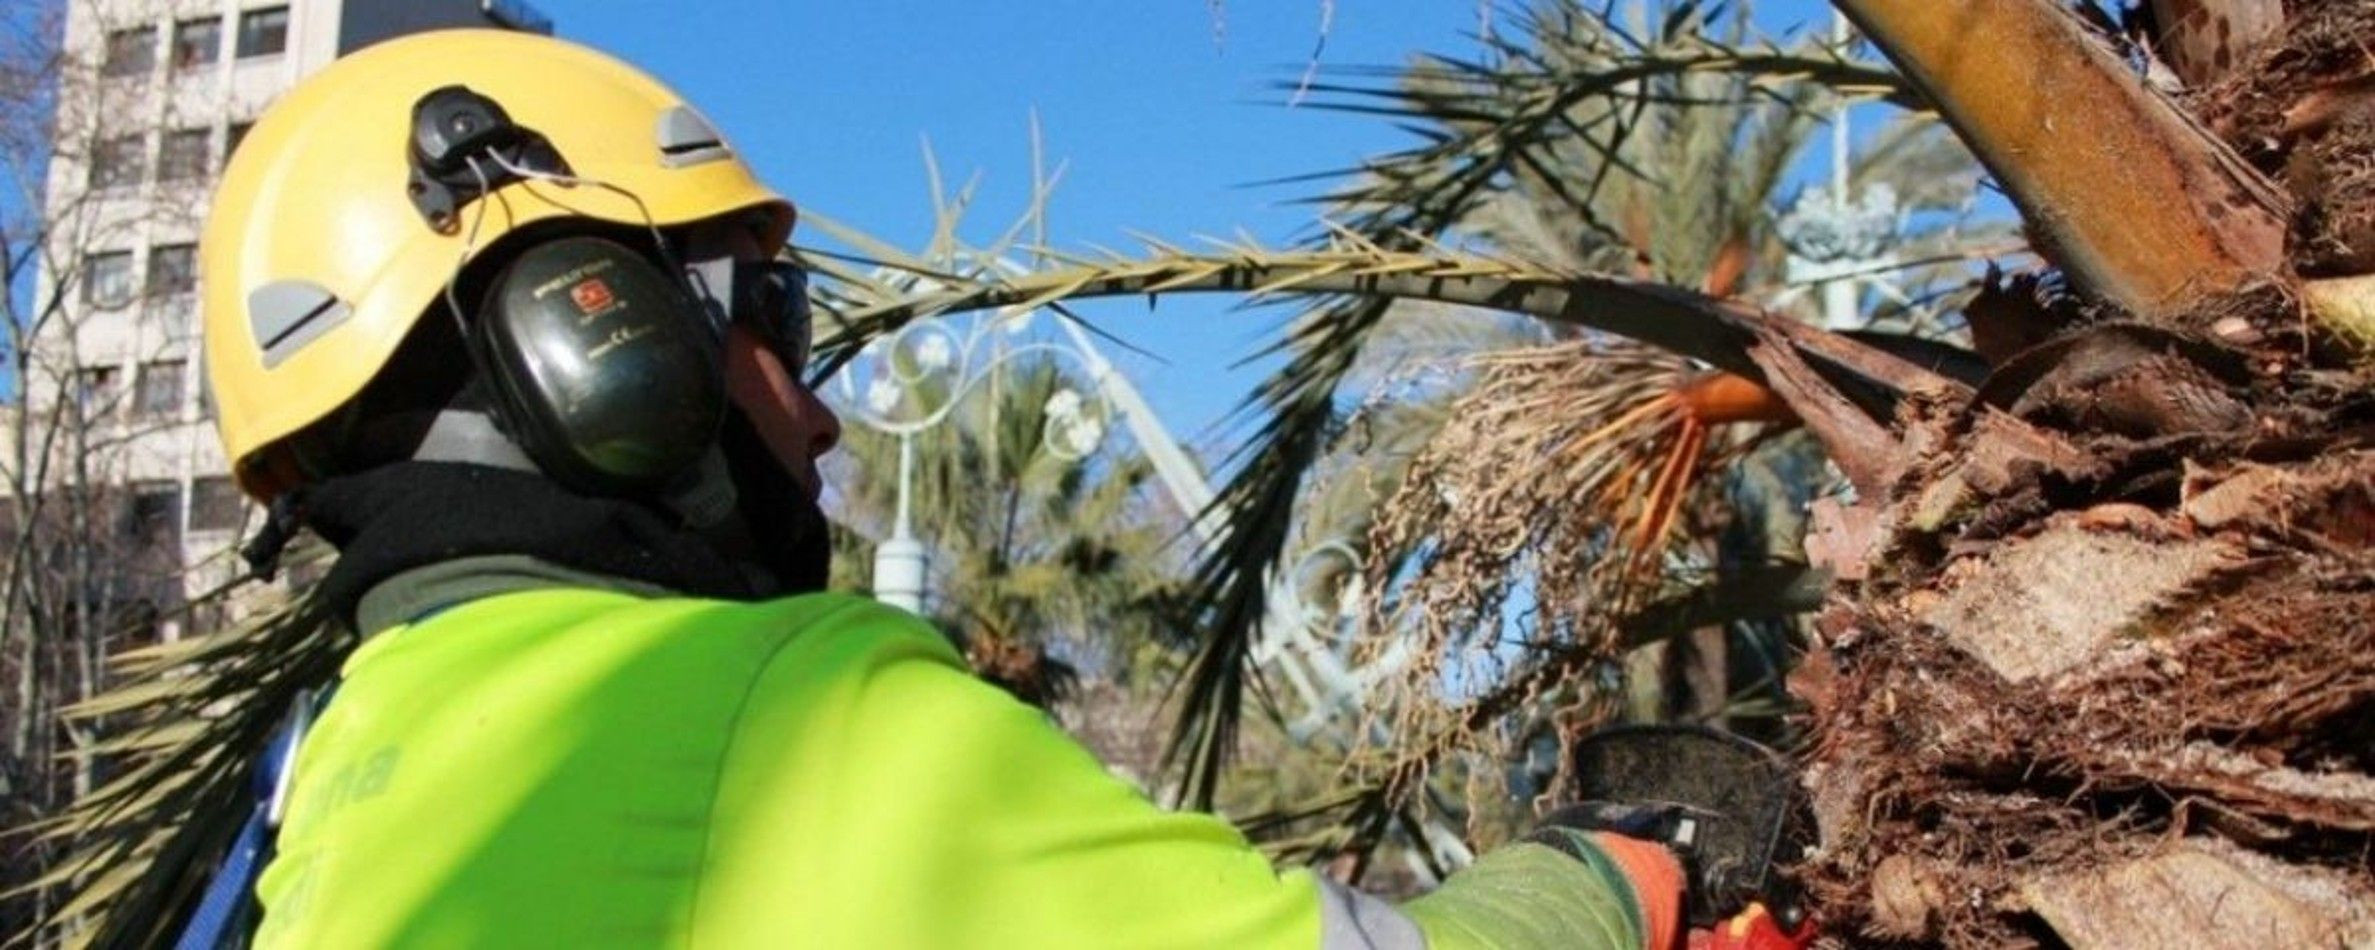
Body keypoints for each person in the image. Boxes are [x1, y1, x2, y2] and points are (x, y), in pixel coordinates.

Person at [200, 29, 1685, 949]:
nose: (827, 414)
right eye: (775, 318)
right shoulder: (784, 704)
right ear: (598, 341)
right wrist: (1601, 876)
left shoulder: (329, 776)